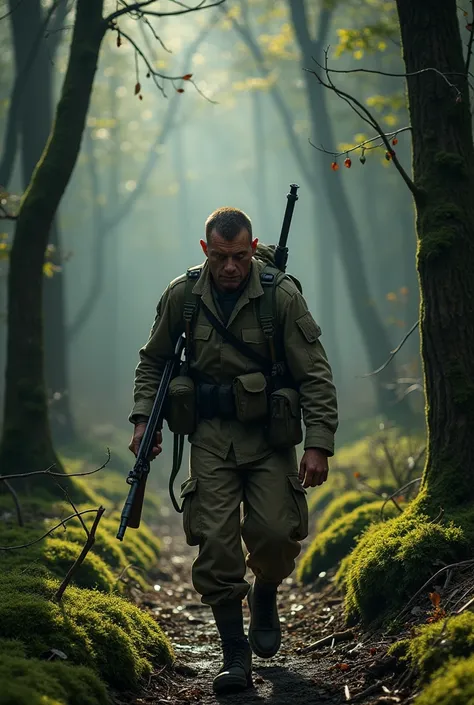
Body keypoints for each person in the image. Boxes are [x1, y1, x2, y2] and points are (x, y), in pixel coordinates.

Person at [129, 207, 338, 694]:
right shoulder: (182, 297)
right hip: (210, 438)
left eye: (240, 256)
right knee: (216, 543)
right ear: (206, 251)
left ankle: (266, 591)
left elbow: (315, 374)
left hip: (269, 438)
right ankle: (233, 653)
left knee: (274, 534)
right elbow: (152, 362)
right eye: (221, 257)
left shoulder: (280, 296)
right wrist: (144, 420)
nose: (230, 267)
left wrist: (319, 445)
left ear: (252, 247)